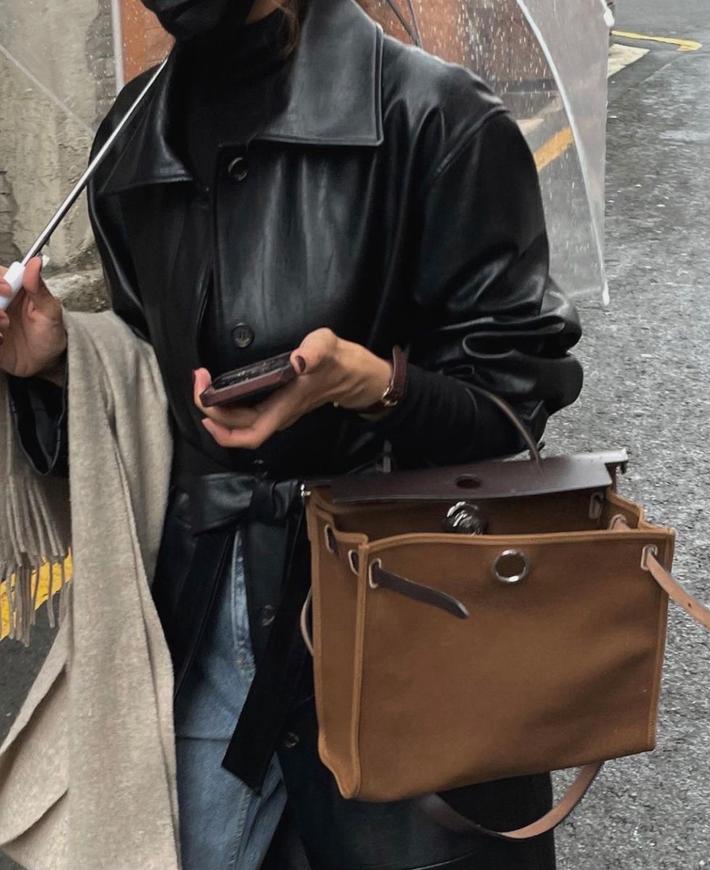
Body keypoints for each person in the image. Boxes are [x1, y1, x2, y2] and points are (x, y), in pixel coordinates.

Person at [0, 0, 584, 867]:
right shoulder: (130, 138)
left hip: (406, 621)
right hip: (200, 604)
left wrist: (373, 386)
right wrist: (57, 359)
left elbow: (513, 402)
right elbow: (153, 368)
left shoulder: (436, 119)